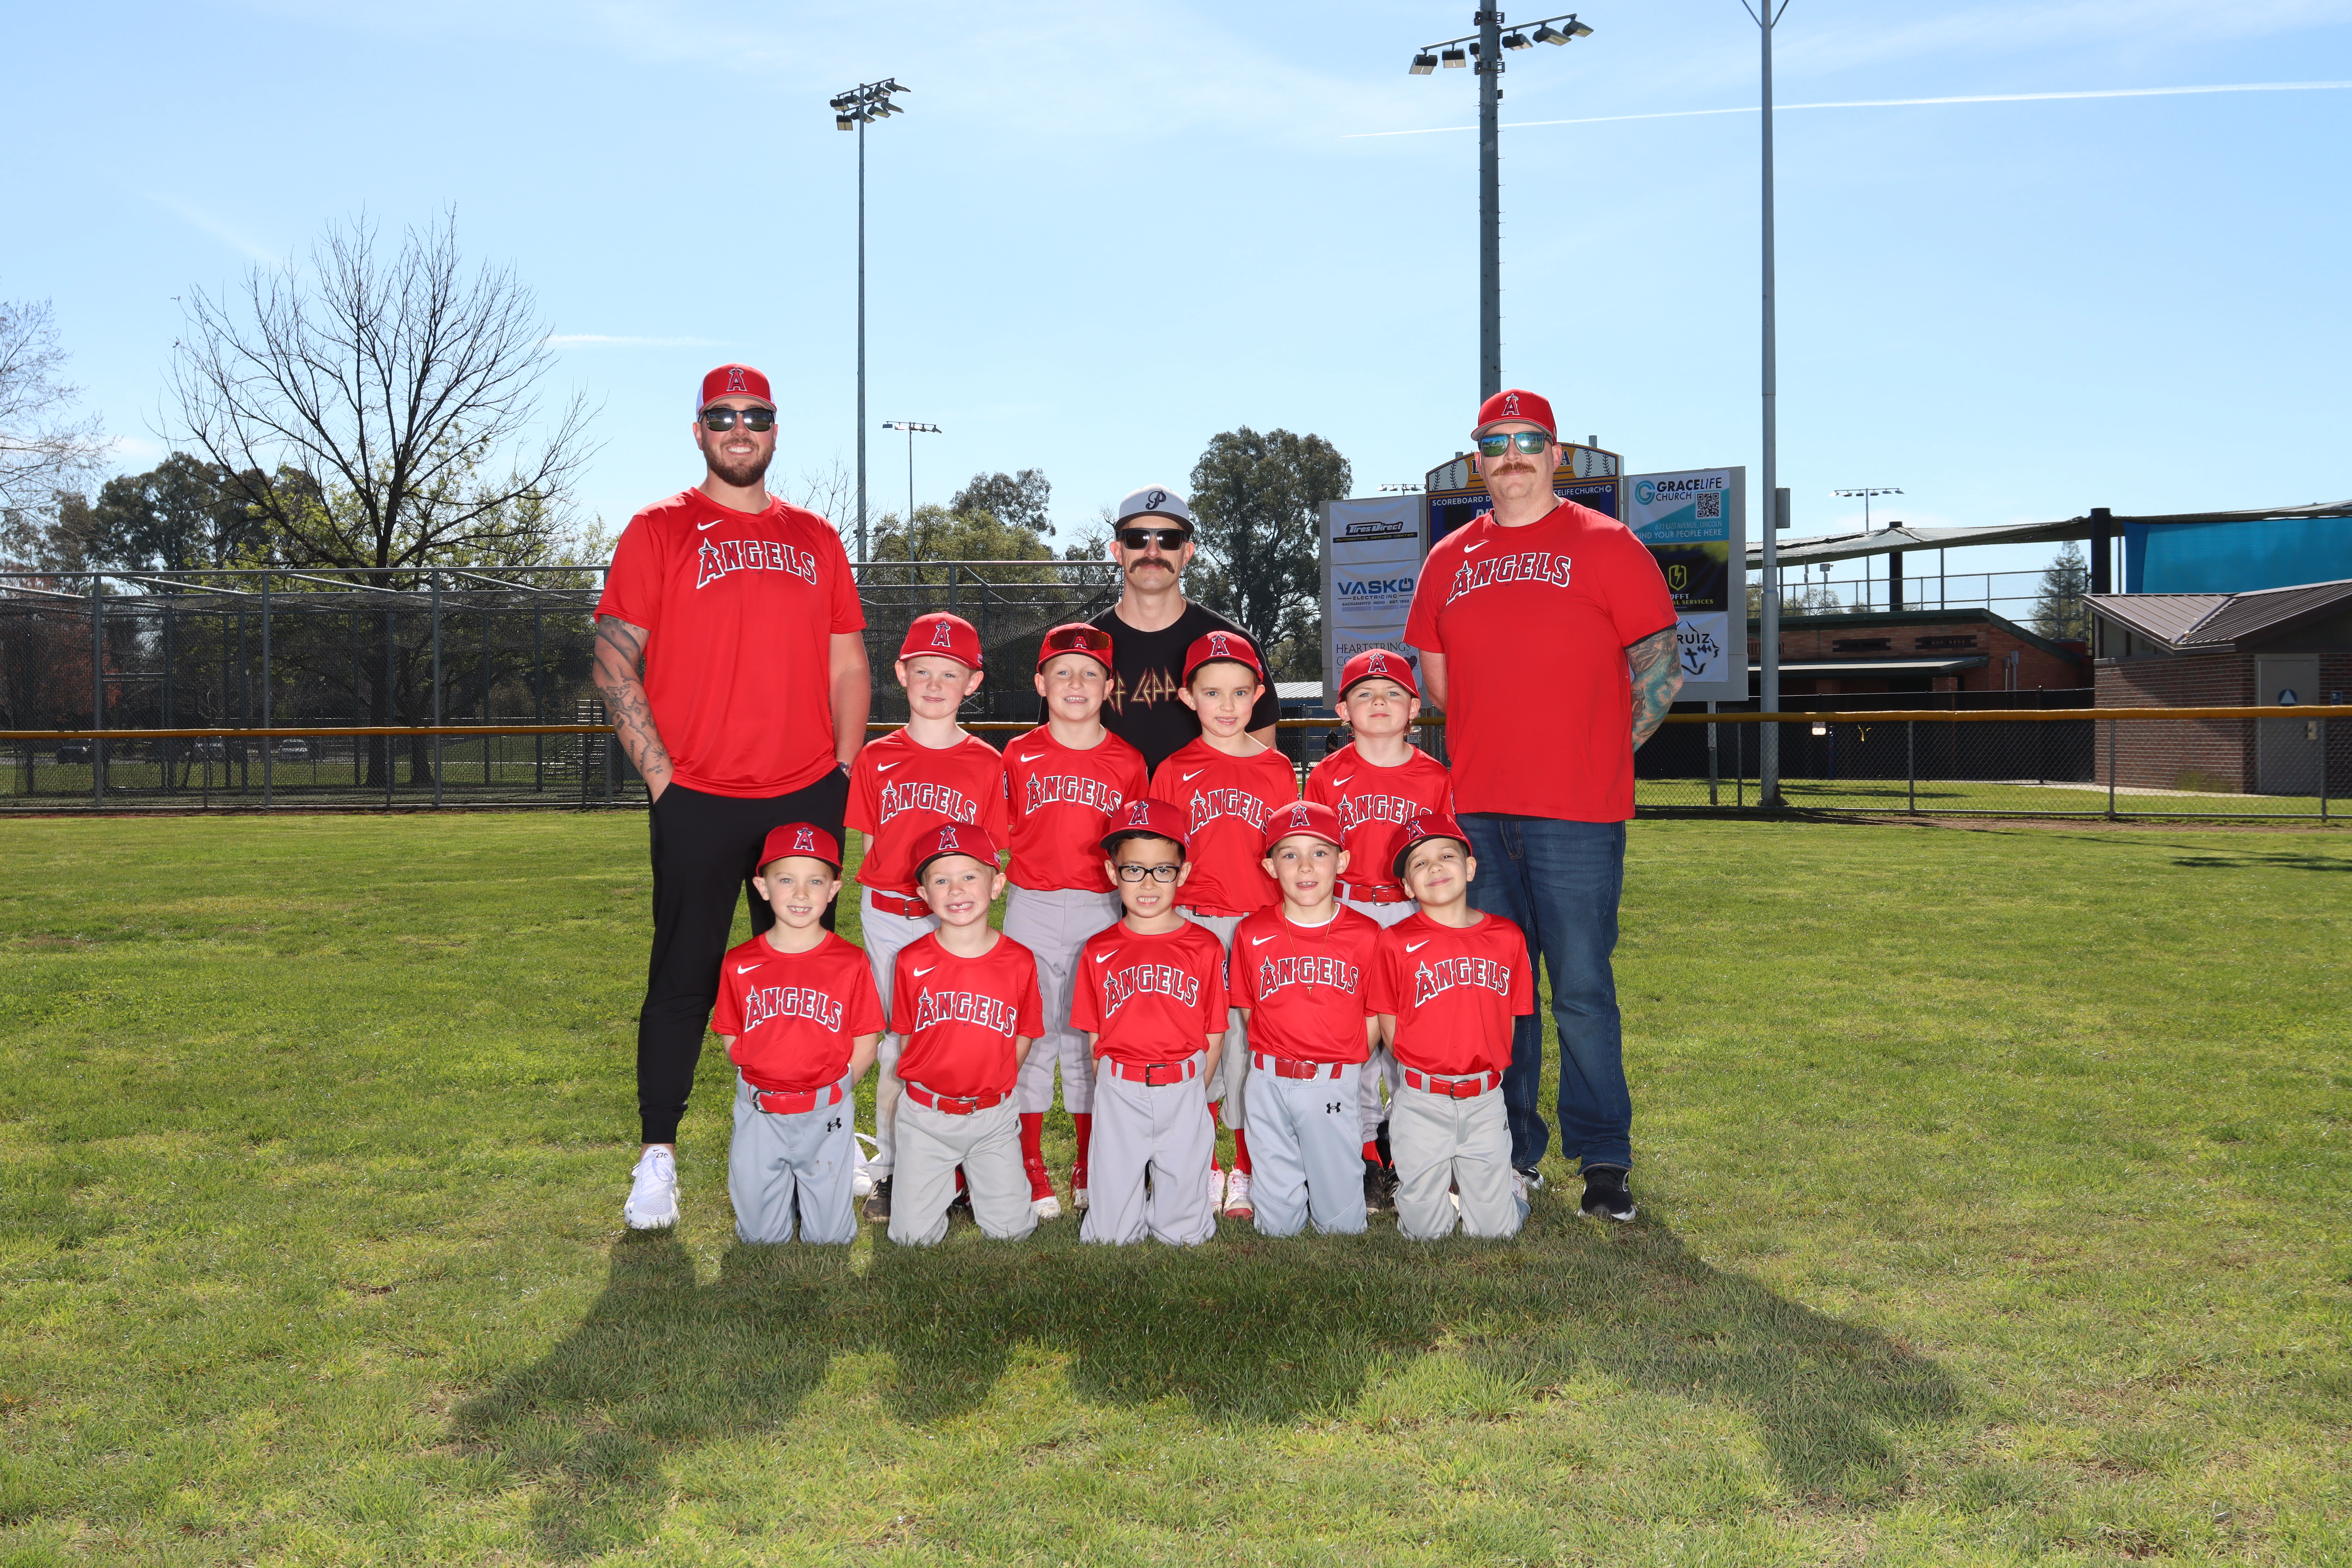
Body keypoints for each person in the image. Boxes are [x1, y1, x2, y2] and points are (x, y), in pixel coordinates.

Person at [595, 363, 870, 1231]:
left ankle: (824, 1137)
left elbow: (848, 664)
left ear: (776, 430)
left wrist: (842, 772)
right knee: (683, 975)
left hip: (803, 794)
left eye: (755, 415)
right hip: (699, 795)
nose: (739, 428)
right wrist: (662, 780)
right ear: (699, 430)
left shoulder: (815, 536)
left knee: (809, 974)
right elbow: (613, 658)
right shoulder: (659, 529)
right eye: (722, 415)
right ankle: (657, 1158)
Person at [1403, 387, 1681, 1224]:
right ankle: (1511, 1148)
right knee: (1498, 990)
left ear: (1557, 455)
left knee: (1583, 991)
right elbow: (1438, 682)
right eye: (1496, 443)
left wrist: (1599, 753)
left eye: (1529, 441)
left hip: (1577, 814)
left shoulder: (1607, 543)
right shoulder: (1448, 557)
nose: (1513, 456)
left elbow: (1661, 667)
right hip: (1480, 812)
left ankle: (1604, 1158)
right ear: (1477, 461)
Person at [845, 612, 1010, 1225]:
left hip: (958, 920)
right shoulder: (875, 756)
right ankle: (893, 1169)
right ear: (901, 673)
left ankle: (960, 1168)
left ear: (973, 682)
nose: (935, 683)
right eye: (923, 671)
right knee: (900, 1044)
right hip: (892, 915)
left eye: (950, 672)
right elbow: (873, 850)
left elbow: (989, 859)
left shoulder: (987, 763)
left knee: (962, 1037)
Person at [1146, 631, 1298, 1221]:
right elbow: (1160, 858)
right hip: (1194, 924)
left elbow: (1286, 854)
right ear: (1188, 697)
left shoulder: (1277, 769)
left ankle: (1247, 1170)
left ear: (1258, 694)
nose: (1227, 705)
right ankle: (1204, 1168)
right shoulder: (1173, 770)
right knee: (1197, 1046)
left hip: (1259, 927)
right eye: (1212, 692)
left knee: (1253, 1050)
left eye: (1240, 691)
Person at [1002, 623, 1148, 1220]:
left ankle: (1088, 1161)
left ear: (1110, 687)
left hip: (1100, 906)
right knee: (1032, 1035)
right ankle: (1030, 1163)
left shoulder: (1128, 760)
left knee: (1091, 1037)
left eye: (1091, 673)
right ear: (1041, 683)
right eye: (1061, 671)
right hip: (1030, 904)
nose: (1076, 682)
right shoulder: (1017, 753)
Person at [1304, 647, 1453, 1214]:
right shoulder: (1326, 775)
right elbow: (1314, 855)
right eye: (1364, 694)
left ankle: (1412, 1149)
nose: (1380, 702)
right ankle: (1366, 1155)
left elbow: (1444, 859)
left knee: (1412, 1038)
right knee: (1355, 1043)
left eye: (1393, 693)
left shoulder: (1434, 775)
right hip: (1348, 912)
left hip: (1411, 913)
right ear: (1343, 710)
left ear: (1414, 707)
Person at [710, 825, 883, 1246]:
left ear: (834, 889)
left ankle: (819, 1180)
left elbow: (866, 1041)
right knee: (760, 1238)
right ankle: (779, 1192)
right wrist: (763, 1070)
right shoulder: (739, 962)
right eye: (786, 879)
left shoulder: (850, 961)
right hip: (760, 1111)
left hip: (826, 1110)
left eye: (816, 881)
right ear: (762, 887)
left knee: (830, 1238)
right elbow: (731, 1035)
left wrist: (833, 1091)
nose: (801, 893)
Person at [1367, 815, 1533, 1242]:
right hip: (1422, 1098)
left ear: (1470, 867)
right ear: (1407, 886)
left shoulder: (1507, 937)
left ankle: (1507, 1195)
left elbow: (1509, 1020)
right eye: (1419, 864)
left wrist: (1484, 1070)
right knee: (1424, 1233)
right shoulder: (1395, 941)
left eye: (1446, 856)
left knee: (1494, 1233)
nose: (1435, 867)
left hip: (1484, 1098)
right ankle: (1446, 1194)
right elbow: (1390, 1024)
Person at [1073, 800, 1231, 1247]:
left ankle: (1176, 1216)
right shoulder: (1098, 949)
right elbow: (1095, 1036)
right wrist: (1110, 1086)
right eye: (1133, 870)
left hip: (1183, 1082)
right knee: (1109, 1237)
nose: (1147, 883)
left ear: (1183, 873)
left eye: (1162, 870)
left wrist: (1192, 1088)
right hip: (1119, 1086)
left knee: (1185, 1235)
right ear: (1112, 873)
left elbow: (1215, 1032)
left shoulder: (1205, 945)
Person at [885, 825, 1043, 1247]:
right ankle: (944, 1182)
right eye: (941, 881)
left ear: (997, 885)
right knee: (912, 1239)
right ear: (924, 895)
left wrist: (994, 1082)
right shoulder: (911, 961)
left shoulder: (1020, 961)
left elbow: (1024, 1035)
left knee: (1013, 1232)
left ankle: (974, 1183)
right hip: (927, 1115)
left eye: (970, 876)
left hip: (993, 1116)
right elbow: (907, 1038)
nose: (956, 890)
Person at [1231, 801, 1380, 1237]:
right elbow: (1250, 1009)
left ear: (1342, 861)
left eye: (1320, 852)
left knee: (1341, 1226)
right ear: (1270, 866)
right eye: (1289, 854)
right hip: (1268, 1081)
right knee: (1277, 1226)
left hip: (1332, 1079)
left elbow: (1375, 1013)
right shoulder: (1251, 932)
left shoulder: (1367, 934)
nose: (1305, 866)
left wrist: (1345, 1063)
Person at [1069, 485, 1278, 776]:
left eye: (1169, 539)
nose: (1153, 551)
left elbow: (1263, 759)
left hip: (1206, 806)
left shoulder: (1235, 644)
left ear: (1187, 553)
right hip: (1107, 806)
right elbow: (1056, 751)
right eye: (1137, 538)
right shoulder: (1081, 646)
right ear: (1118, 551)